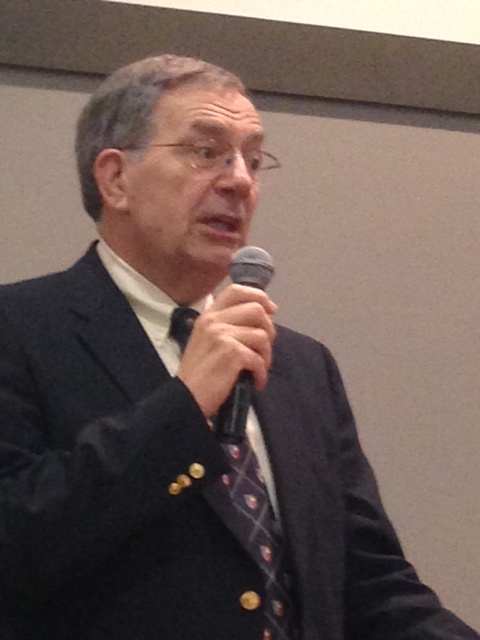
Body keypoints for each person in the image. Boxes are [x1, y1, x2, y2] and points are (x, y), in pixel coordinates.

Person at [0, 54, 477, 640]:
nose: (239, 181)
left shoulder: (301, 366)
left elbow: (369, 584)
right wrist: (182, 406)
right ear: (115, 178)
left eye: (252, 159)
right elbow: (15, 544)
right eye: (207, 152)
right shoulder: (19, 331)